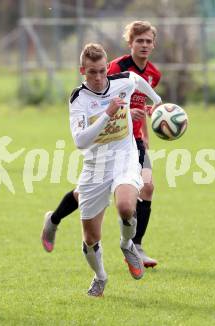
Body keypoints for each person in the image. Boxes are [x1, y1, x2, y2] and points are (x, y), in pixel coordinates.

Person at [41, 21, 161, 267]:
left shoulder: (153, 74)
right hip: (101, 148)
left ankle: (134, 246)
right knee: (83, 193)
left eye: (149, 41)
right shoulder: (113, 69)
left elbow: (134, 102)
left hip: (131, 142)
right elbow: (112, 103)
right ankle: (54, 219)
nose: (145, 45)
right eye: (140, 41)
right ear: (130, 43)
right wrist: (116, 113)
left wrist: (150, 119)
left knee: (144, 188)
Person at [66, 43, 162, 296]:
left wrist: (158, 103)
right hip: (95, 166)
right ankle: (100, 276)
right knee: (90, 238)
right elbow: (80, 141)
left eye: (101, 71)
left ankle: (127, 243)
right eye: (91, 73)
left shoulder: (123, 81)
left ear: (106, 67)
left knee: (126, 206)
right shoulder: (79, 99)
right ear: (81, 71)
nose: (98, 78)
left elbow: (138, 81)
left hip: (125, 156)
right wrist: (107, 115)